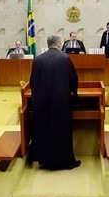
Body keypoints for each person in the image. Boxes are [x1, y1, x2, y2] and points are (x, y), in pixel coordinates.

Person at [28, 34, 80, 170]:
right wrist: (74, 93)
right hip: (60, 101)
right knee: (61, 130)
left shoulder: (38, 59)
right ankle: (65, 161)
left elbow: (32, 82)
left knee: (43, 128)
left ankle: (44, 159)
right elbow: (73, 79)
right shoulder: (64, 58)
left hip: (41, 102)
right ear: (58, 44)